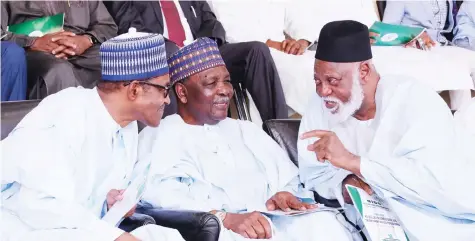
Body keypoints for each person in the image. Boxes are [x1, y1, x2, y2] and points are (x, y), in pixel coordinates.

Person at [138, 37, 357, 241]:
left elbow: (289, 179)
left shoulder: (246, 130)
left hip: (275, 222)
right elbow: (161, 200)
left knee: (322, 225)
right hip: (224, 232)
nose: (225, 90)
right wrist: (225, 218)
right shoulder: (161, 136)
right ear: (182, 93)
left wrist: (284, 194)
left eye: (227, 81)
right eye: (211, 83)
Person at [297, 20, 475, 241]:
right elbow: (312, 174)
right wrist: (343, 184)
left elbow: (438, 184)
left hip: (440, 225)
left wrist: (355, 163)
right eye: (317, 80)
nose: (323, 91)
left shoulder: (415, 100)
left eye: (332, 80)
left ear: (363, 71)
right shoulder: (321, 105)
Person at [1, 28, 185, 241]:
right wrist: (113, 236)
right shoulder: (66, 113)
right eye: (164, 89)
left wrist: (106, 204)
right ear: (135, 90)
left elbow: (79, 201)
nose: (168, 100)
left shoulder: (127, 126)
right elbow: (39, 205)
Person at [104, 1, 287, 122]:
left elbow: (210, 21)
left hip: (201, 51)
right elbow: (129, 26)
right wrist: (173, 49)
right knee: (169, 52)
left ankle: (279, 131)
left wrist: (205, 46)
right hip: (165, 54)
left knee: (256, 51)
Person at [208, 0, 317, 115]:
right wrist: (277, 45)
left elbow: (297, 16)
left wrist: (301, 42)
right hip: (254, 53)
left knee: (326, 66)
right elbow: (230, 31)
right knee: (303, 72)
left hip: (288, 50)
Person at [1, 1, 117, 99]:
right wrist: (32, 42)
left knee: (114, 63)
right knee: (59, 71)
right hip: (30, 51)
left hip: (81, 49)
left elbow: (107, 25)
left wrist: (87, 39)